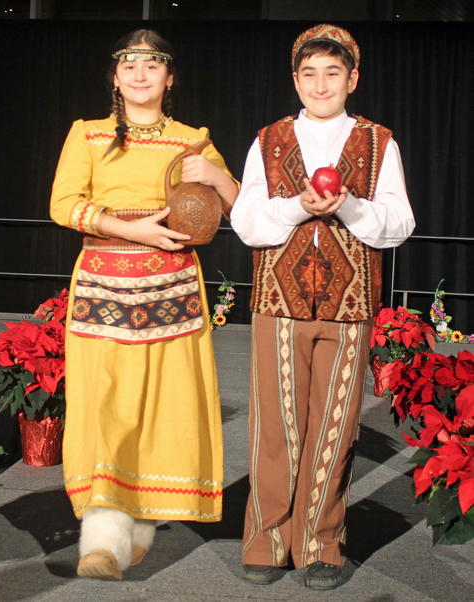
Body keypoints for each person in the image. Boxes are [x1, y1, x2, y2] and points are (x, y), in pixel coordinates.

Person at [231, 24, 415, 590]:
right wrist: (297, 208)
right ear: (295, 79)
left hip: (349, 304)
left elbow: (401, 224)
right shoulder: (267, 139)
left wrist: (351, 206)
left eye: (333, 73)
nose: (320, 83)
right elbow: (246, 223)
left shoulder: (380, 142)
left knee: (334, 429)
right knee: (276, 425)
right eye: (309, 73)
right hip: (278, 301)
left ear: (352, 78)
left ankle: (321, 543)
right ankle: (267, 538)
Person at [50, 29, 238, 580]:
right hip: (104, 284)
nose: (139, 74)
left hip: (173, 290)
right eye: (129, 65)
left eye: (151, 65)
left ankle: (142, 520)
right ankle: (102, 538)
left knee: (164, 407)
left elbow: (230, 209)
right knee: (104, 407)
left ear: (169, 77)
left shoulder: (193, 140)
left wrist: (216, 177)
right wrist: (127, 228)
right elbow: (64, 204)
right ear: (114, 76)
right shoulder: (86, 135)